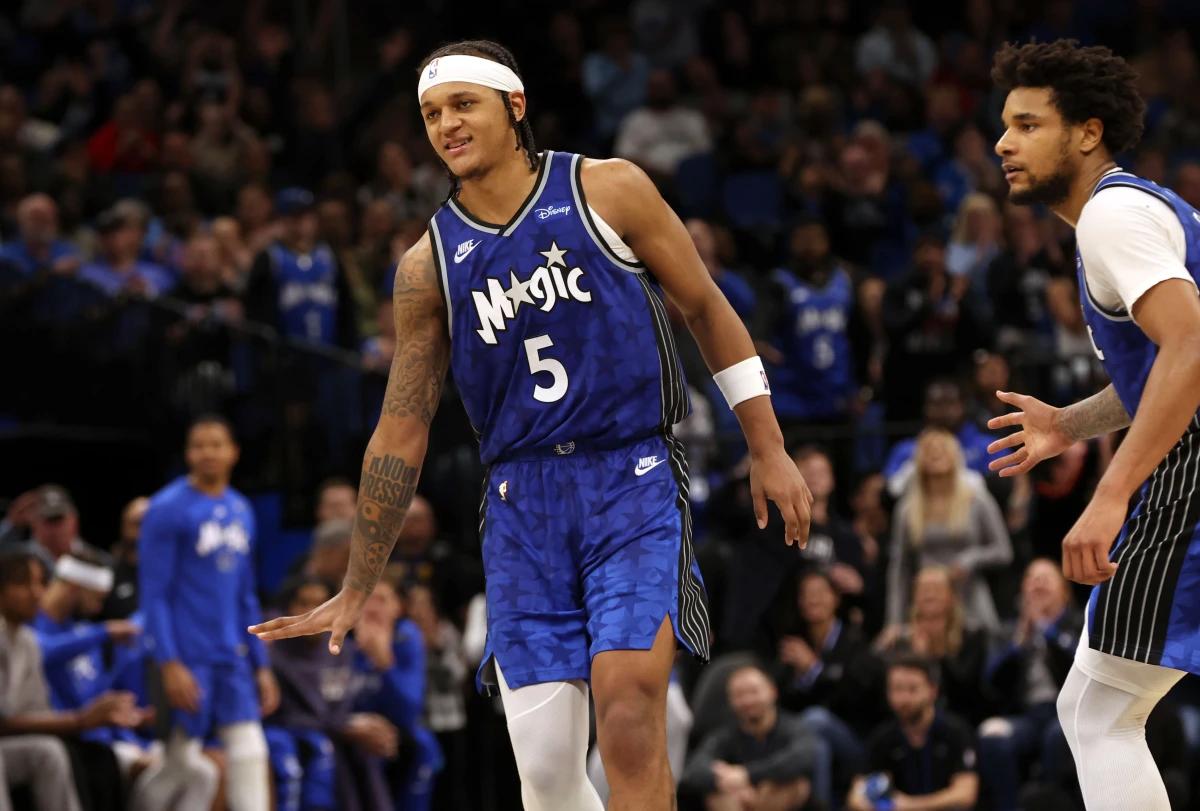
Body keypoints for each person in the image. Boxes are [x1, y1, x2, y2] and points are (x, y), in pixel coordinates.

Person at [251, 39, 811, 811]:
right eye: (430, 113)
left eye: (462, 104)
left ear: (514, 105)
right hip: (522, 504)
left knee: (628, 711)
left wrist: (768, 444)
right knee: (546, 772)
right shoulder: (427, 265)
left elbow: (706, 307)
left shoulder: (607, 189)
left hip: (630, 477)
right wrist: (359, 578)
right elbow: (401, 429)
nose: (446, 124)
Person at [988, 40, 1200, 811]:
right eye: (1004, 126)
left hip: (1192, 467)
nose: (1003, 143)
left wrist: (1111, 494)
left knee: (1098, 710)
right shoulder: (1135, 211)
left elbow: (1190, 347)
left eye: (1027, 124)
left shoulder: (1112, 215)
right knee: (1097, 706)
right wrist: (1071, 423)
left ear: (1087, 132)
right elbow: (1162, 366)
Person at [136, 415, 279, 811]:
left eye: (216, 444)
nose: (207, 453)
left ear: (234, 452)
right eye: (198, 445)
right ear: (187, 454)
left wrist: (261, 665)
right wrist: (168, 663)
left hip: (231, 655)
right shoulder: (166, 508)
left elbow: (246, 595)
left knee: (249, 750)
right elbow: (154, 595)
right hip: (186, 655)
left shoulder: (242, 509)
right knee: (181, 765)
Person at [0, 551, 143, 811]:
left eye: (40, 583)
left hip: (72, 735)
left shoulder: (31, 640)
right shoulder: (65, 636)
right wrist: (79, 720)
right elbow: (49, 651)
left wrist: (122, 720)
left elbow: (41, 708)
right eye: (24, 584)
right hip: (40, 734)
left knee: (61, 752)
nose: (37, 594)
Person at [978, 559, 1082, 811]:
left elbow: (1079, 667)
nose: (1038, 583)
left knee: (1056, 735)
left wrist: (1046, 629)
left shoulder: (1080, 624)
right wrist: (1020, 642)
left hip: (1070, 713)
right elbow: (991, 684)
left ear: (1065, 592)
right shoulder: (1009, 632)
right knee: (992, 736)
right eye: (1032, 579)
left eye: (1046, 578)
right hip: (1028, 716)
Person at [886, 429, 1012, 632]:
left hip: (969, 598)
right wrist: (894, 621)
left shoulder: (976, 498)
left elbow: (1003, 551)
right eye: (929, 449)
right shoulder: (907, 508)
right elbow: (899, 568)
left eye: (942, 447)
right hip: (926, 602)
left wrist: (970, 559)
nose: (936, 452)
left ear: (956, 455)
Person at [679, 664, 821, 811]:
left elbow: (805, 757)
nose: (748, 701)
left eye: (754, 692)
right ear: (730, 700)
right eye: (739, 695)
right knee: (719, 794)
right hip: (737, 801)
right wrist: (726, 781)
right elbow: (694, 769)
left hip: (780, 800)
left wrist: (747, 775)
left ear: (773, 691)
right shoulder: (724, 735)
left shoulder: (795, 728)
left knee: (794, 785)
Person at [847, 655, 978, 811]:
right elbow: (856, 795)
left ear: (933, 691)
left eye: (913, 689)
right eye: (896, 689)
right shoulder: (882, 738)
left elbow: (965, 794)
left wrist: (910, 805)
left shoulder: (956, 732)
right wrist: (870, 802)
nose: (904, 698)